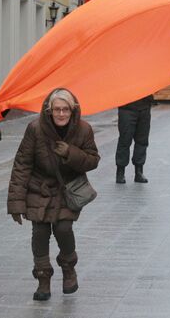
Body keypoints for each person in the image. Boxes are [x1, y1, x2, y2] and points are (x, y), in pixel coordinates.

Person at [7, 88, 100, 301]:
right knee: (40, 232)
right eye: (56, 109)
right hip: (38, 188)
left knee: (63, 228)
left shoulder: (83, 129)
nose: (61, 114)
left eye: (65, 109)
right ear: (49, 111)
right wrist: (16, 203)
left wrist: (70, 153)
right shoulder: (35, 129)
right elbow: (22, 165)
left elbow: (93, 160)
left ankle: (68, 268)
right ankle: (43, 278)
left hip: (67, 188)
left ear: (72, 110)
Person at [115, 95, 153, 184]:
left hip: (145, 107)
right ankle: (120, 172)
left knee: (142, 140)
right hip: (126, 107)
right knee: (125, 140)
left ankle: (139, 172)